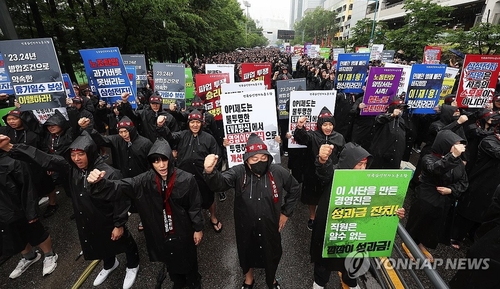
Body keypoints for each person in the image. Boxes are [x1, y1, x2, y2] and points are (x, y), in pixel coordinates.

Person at [0, 132, 140, 289]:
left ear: (91, 153)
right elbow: (45, 158)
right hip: (86, 219)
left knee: (124, 241)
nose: (77, 158)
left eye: (81, 154)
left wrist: (119, 224)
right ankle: (109, 264)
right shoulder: (71, 169)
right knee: (98, 243)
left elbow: (121, 200)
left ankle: (133, 264)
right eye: (73, 155)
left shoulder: (110, 172)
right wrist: (11, 147)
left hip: (107, 218)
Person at [87, 139, 204, 289]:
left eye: (164, 159)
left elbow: (195, 207)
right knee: (170, 259)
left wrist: (198, 229)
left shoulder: (186, 179)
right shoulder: (145, 180)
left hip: (183, 230)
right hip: (161, 230)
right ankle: (177, 281)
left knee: (188, 260)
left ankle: (194, 282)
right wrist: (100, 183)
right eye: (156, 161)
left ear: (170, 158)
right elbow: (122, 186)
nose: (161, 165)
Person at [203, 133, 300, 289]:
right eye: (254, 159)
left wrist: (285, 213)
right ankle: (249, 279)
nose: (259, 162)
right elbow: (220, 183)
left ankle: (272, 279)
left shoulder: (277, 172)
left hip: (270, 224)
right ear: (246, 159)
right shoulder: (238, 172)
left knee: (272, 252)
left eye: (263, 158)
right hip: (245, 225)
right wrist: (210, 172)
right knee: (246, 252)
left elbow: (294, 188)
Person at [311, 142, 406, 289]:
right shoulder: (335, 173)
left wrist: (393, 211)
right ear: (348, 162)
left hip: (355, 229)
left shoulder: (368, 180)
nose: (362, 168)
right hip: (331, 228)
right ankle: (319, 283)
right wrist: (322, 160)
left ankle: (351, 281)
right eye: (359, 164)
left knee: (353, 257)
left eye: (365, 164)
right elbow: (324, 172)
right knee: (325, 259)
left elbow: (378, 201)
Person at [404, 130, 468, 262]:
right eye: (454, 145)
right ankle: (408, 244)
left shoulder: (458, 162)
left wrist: (450, 190)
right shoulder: (429, 158)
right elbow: (436, 169)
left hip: (443, 200)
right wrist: (452, 156)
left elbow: (464, 182)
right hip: (426, 198)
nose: (457, 148)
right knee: (418, 222)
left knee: (431, 225)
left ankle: (420, 244)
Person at [157, 110, 223, 233]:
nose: (195, 125)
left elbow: (217, 155)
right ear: (188, 123)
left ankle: (213, 217)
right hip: (184, 177)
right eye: (192, 122)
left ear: (201, 123)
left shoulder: (209, 138)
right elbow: (169, 137)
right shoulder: (182, 135)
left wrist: (212, 173)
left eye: (198, 122)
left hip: (203, 177)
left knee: (209, 199)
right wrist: (161, 126)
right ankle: (190, 221)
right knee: (186, 200)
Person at [0, 144, 58, 279]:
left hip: (19, 207)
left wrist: (31, 211)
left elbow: (28, 188)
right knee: (16, 236)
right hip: (3, 212)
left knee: (36, 232)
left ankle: (49, 255)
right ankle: (29, 256)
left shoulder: (13, 161)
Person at [293, 107, 346, 230]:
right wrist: (300, 127)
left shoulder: (339, 137)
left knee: (330, 195)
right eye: (325, 124)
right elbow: (301, 138)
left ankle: (328, 217)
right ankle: (312, 217)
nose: (328, 127)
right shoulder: (313, 135)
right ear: (319, 125)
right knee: (312, 196)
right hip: (312, 171)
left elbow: (343, 155)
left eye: (330, 124)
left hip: (331, 172)